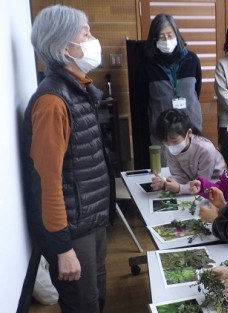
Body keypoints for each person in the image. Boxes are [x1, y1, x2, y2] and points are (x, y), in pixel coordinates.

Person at [23, 5, 114, 312]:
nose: (92, 39)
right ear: (64, 46)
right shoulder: (52, 102)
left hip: (90, 218)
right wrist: (63, 248)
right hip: (73, 230)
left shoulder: (77, 90)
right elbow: (48, 182)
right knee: (83, 304)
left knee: (97, 295)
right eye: (85, 33)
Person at [144, 13, 202, 166]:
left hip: (191, 129)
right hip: (163, 134)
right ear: (154, 40)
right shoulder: (148, 65)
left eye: (170, 35)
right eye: (161, 37)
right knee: (167, 179)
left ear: (177, 34)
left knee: (193, 177)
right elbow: (143, 101)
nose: (167, 40)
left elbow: (196, 91)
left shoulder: (192, 59)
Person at [150, 109, 225, 195]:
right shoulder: (170, 148)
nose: (170, 145)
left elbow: (201, 185)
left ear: (189, 133)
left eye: (174, 141)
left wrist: (179, 188)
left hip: (215, 188)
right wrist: (165, 182)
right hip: (193, 184)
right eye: (166, 142)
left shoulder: (205, 149)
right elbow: (180, 176)